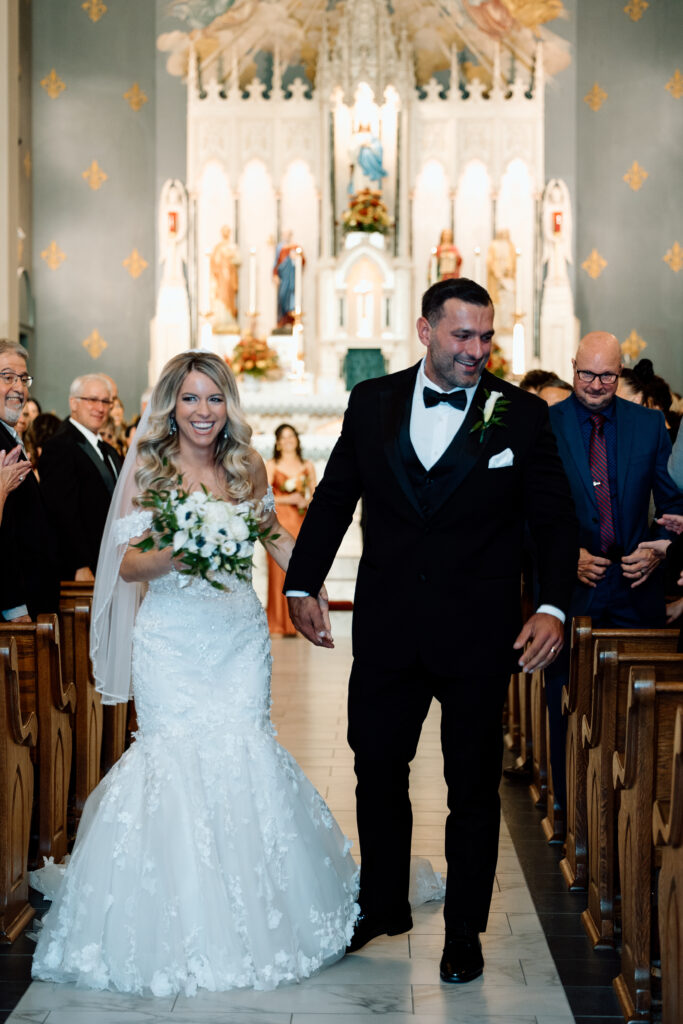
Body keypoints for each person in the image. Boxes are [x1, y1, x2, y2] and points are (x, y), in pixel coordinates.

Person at [31, 351, 359, 996]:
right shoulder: (149, 468)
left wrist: (310, 584)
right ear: (171, 406)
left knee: (243, 748)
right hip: (172, 639)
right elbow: (125, 565)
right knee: (173, 757)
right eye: (190, 399)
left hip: (236, 637)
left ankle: (258, 913)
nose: (202, 412)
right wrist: (184, 550)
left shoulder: (246, 466)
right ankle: (173, 918)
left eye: (213, 399)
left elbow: (275, 537)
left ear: (228, 405)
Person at [284, 278, 578, 983]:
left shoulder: (521, 415)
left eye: (485, 337)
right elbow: (333, 497)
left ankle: (463, 932)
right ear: (424, 330)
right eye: (461, 336)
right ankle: (383, 901)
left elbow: (553, 520)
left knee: (471, 787)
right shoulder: (372, 400)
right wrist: (301, 580)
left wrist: (553, 606)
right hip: (387, 629)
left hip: (479, 635)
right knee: (374, 769)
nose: (476, 350)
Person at [545, 332, 683, 810]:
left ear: (619, 373)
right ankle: (569, 812)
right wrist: (567, 556)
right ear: (572, 367)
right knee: (566, 704)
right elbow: (520, 515)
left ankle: (630, 816)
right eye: (587, 374)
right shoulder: (546, 423)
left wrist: (661, 548)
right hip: (571, 591)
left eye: (607, 375)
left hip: (635, 588)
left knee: (635, 710)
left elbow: (675, 507)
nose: (597, 384)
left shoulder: (649, 426)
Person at [39, 373, 123, 582]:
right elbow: (62, 512)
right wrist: (80, 564)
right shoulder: (59, 446)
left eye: (106, 401)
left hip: (111, 560)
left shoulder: (109, 450)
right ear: (73, 403)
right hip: (81, 567)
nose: (100, 408)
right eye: (92, 400)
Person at [0, 340, 60, 620]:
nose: (19, 388)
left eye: (23, 379)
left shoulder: (9, 435)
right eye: (8, 377)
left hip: (35, 598)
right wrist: (13, 605)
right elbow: (5, 534)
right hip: (15, 607)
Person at [266, 424, 316, 635]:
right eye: (283, 437)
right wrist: (289, 498)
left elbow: (315, 494)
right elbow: (264, 497)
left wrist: (306, 500)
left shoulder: (307, 465)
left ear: (297, 439)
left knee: (300, 569)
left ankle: (300, 623)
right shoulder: (272, 465)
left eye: (291, 436)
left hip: (301, 521)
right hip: (279, 523)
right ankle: (279, 623)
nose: (288, 441)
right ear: (278, 442)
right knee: (278, 571)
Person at [210, 225, 241, 331]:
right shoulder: (218, 247)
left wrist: (231, 257)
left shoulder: (232, 246)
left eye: (228, 231)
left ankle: (229, 319)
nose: (226, 233)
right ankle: (221, 319)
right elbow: (214, 262)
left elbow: (238, 261)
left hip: (230, 277)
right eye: (224, 231)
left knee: (229, 298)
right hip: (221, 278)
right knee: (221, 297)